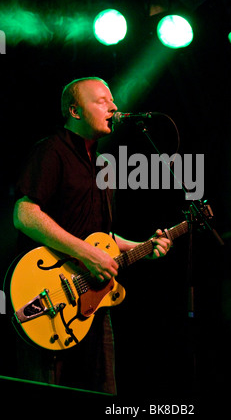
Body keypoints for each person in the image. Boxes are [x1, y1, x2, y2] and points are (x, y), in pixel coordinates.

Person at [13, 76, 171, 395]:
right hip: (51, 297)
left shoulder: (102, 167)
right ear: (75, 110)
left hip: (94, 303)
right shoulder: (51, 151)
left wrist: (143, 246)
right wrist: (86, 254)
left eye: (112, 100)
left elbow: (103, 237)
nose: (113, 107)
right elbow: (24, 214)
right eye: (101, 101)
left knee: (103, 393)